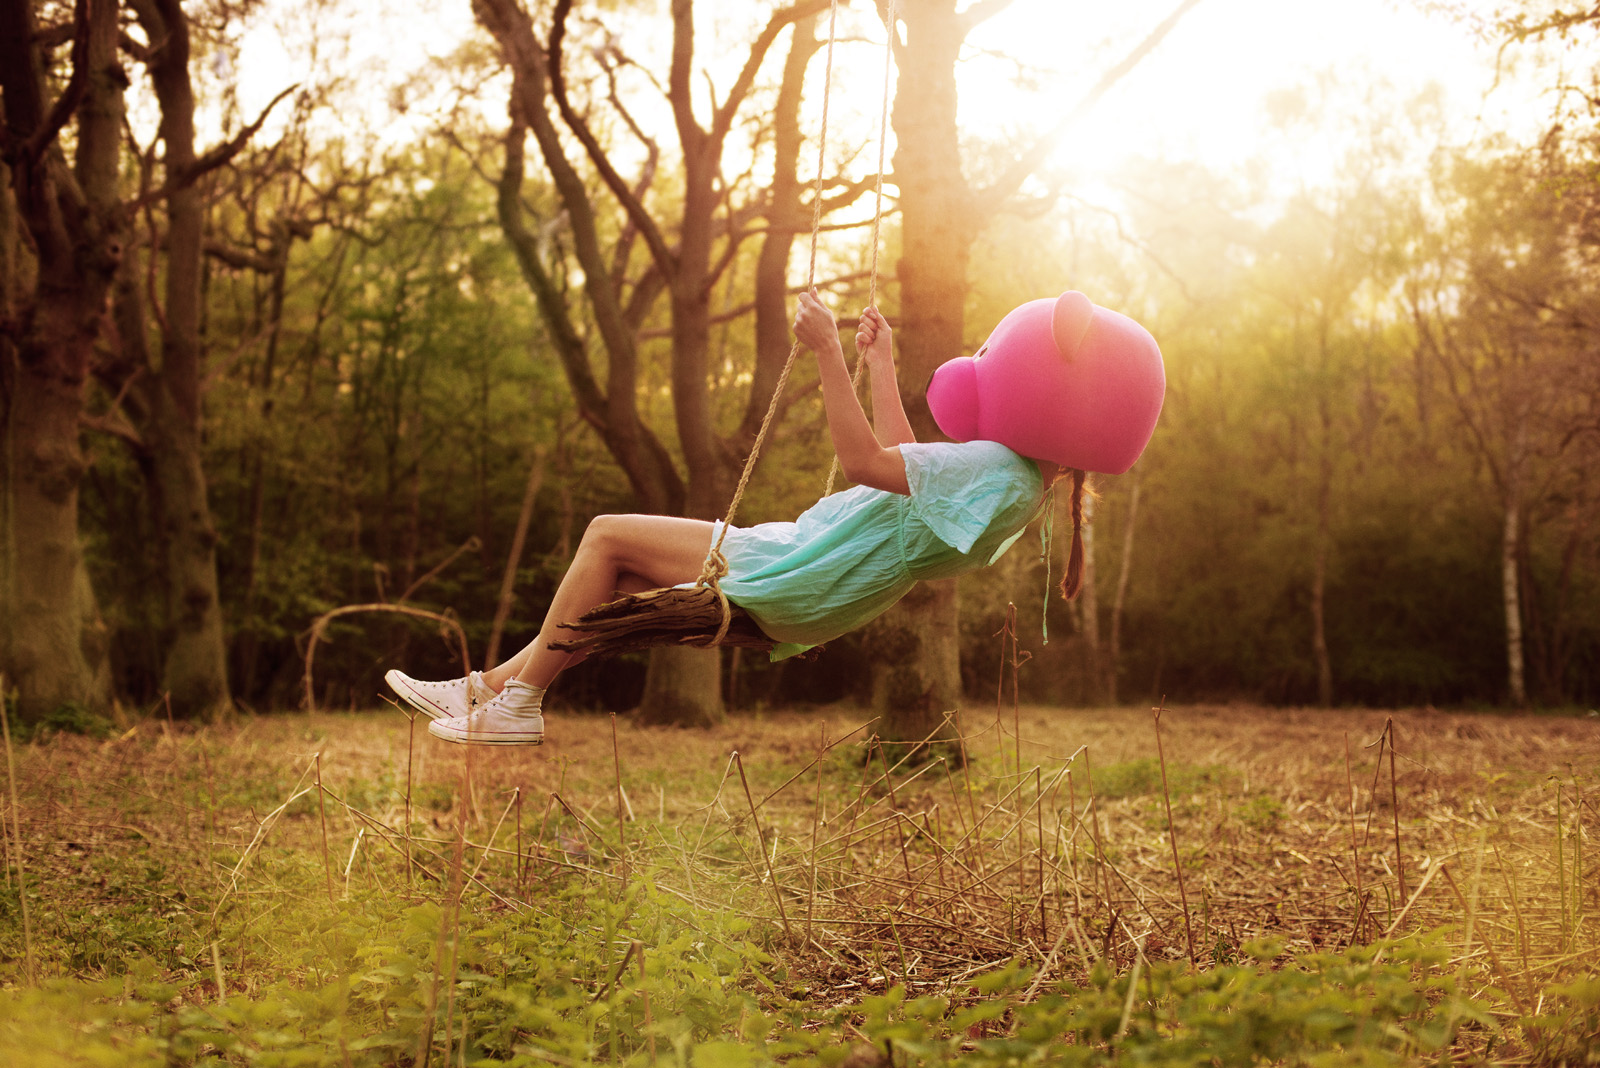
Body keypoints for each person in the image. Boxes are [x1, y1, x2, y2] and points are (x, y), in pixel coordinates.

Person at [386, 288, 1164, 744]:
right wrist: (879, 365)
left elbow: (866, 465)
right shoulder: (1013, 480)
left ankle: (513, 703)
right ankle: (489, 691)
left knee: (606, 534)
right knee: (613, 560)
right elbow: (905, 462)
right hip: (808, 573)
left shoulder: (1001, 471)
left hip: (801, 571)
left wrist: (828, 353)